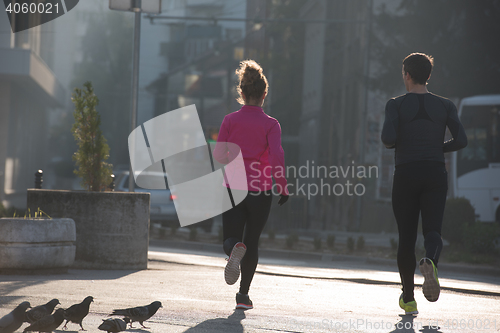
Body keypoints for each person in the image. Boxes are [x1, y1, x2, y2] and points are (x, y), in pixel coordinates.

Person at [381, 53, 467, 315]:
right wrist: (436, 147)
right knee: (433, 231)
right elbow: (461, 140)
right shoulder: (446, 105)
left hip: (406, 174)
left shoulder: (395, 104)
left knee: (406, 237)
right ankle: (430, 259)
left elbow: (387, 138)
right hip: (434, 173)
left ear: (407, 74)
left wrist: (402, 142)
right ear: (428, 76)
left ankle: (408, 298)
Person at [213, 59, 289, 310]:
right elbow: (277, 155)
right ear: (264, 94)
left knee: (232, 238)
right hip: (261, 189)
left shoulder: (229, 121)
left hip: (233, 187)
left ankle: (234, 247)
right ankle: (243, 296)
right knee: (253, 242)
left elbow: (220, 156)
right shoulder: (271, 124)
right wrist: (282, 185)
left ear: (242, 93)